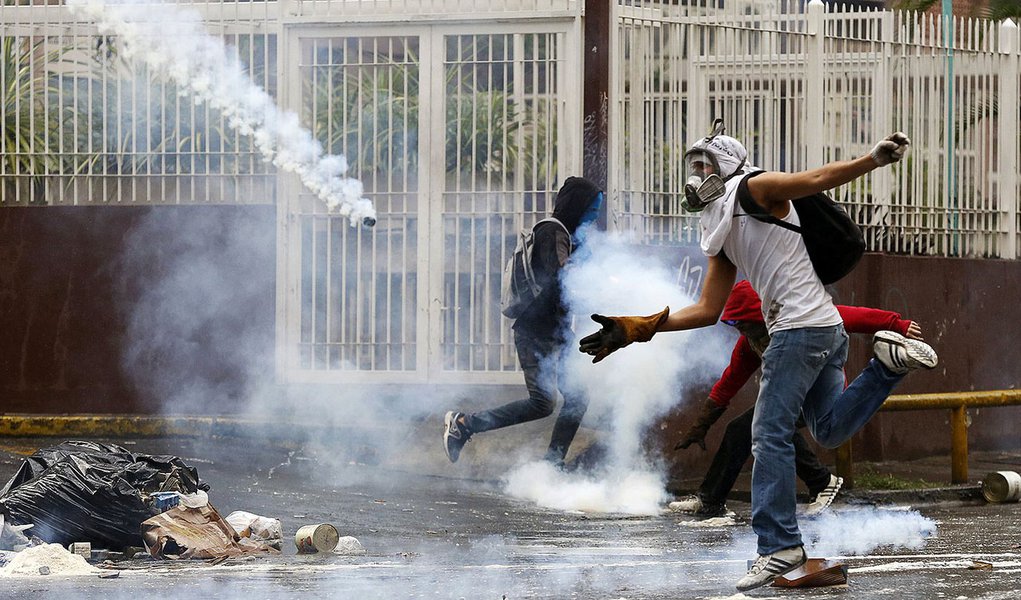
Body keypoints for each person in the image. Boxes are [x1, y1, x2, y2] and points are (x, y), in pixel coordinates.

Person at [578, 127, 938, 591]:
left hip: (798, 328)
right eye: (694, 167)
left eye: (705, 165)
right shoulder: (720, 225)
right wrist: (638, 328)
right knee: (826, 428)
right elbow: (708, 310)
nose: (697, 175)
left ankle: (779, 546)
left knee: (766, 433)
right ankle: (886, 367)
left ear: (727, 166)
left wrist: (872, 160)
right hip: (824, 329)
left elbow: (817, 177)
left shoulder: (753, 187)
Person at [670, 279, 927, 519]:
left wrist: (897, 324)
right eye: (732, 324)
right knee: (748, 427)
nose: (739, 329)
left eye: (742, 322)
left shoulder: (800, 322)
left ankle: (819, 483)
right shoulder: (750, 343)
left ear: (759, 316)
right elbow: (729, 383)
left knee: (772, 423)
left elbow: (851, 315)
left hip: (820, 394)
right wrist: (700, 426)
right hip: (791, 395)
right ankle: (711, 500)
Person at [443, 176, 604, 465]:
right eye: (592, 209)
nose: (594, 217)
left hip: (556, 332)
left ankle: (552, 465)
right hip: (536, 332)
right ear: (579, 206)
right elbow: (561, 282)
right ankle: (464, 423)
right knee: (542, 403)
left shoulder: (563, 234)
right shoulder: (552, 232)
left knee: (577, 399)